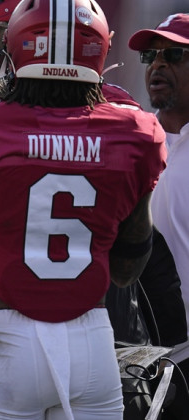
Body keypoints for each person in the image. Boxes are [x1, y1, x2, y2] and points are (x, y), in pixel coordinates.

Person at [0, 1, 187, 418]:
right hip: (93, 342)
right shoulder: (137, 131)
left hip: (9, 339)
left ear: (18, 44)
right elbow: (128, 269)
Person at [129, 13, 189, 420]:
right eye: (151, 55)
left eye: (174, 54)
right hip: (146, 359)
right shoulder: (132, 143)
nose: (157, 64)